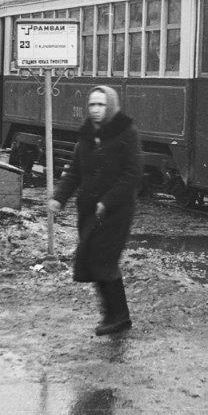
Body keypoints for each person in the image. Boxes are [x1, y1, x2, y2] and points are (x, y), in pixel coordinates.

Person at [48, 85, 142, 336]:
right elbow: (75, 171)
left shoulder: (126, 132)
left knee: (104, 261)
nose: (96, 110)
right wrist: (59, 197)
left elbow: (132, 173)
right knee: (94, 260)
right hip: (90, 210)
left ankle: (119, 317)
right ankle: (113, 315)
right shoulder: (87, 136)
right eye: (92, 105)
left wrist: (107, 201)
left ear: (110, 105)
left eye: (101, 105)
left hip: (116, 212)